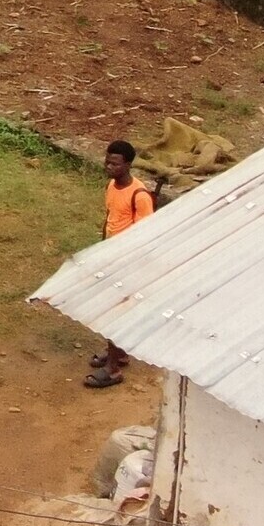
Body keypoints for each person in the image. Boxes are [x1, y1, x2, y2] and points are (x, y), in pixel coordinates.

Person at [85, 141, 157, 389]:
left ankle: (113, 369)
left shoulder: (140, 195)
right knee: (111, 309)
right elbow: (111, 219)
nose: (109, 166)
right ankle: (119, 354)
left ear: (128, 164)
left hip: (129, 262)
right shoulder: (112, 187)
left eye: (115, 163)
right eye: (108, 161)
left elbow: (146, 234)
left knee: (115, 312)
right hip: (112, 256)